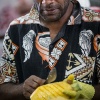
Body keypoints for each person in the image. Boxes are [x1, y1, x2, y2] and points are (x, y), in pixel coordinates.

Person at [0, 0, 100, 100]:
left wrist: (87, 92)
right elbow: (3, 88)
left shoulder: (96, 25)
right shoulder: (16, 29)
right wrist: (22, 89)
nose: (47, 2)